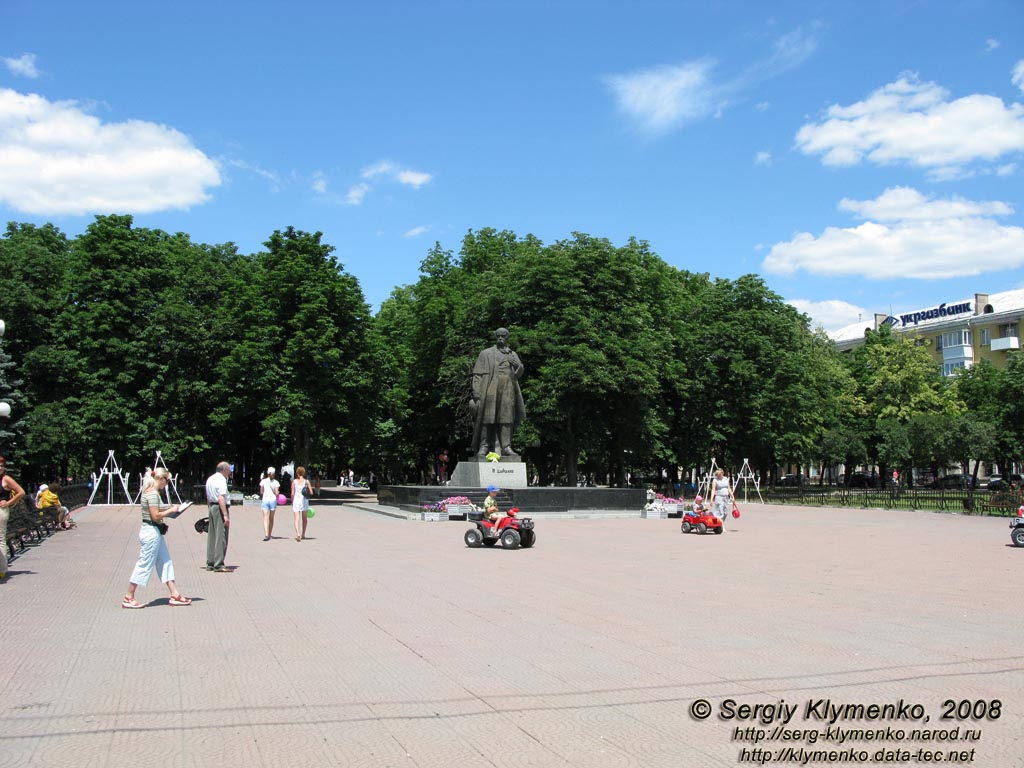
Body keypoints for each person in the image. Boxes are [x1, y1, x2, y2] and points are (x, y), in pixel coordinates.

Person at [122, 468, 191, 608]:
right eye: (167, 481)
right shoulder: (153, 493)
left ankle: (174, 594)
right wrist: (171, 510)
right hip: (151, 532)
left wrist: (170, 507)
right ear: (160, 479)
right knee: (144, 564)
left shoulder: (150, 492)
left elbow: (156, 509)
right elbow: (155, 515)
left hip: (153, 532)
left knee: (165, 562)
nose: (167, 484)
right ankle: (129, 597)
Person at [470, 327, 526, 459]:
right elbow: (477, 375)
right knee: (487, 418)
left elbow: (519, 373)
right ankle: (484, 446)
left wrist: (517, 365)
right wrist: (477, 393)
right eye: (498, 336)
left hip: (508, 389)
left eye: (503, 336)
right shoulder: (486, 353)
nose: (500, 338)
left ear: (507, 338)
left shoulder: (512, 354)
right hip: (490, 388)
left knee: (506, 418)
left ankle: (506, 446)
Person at [0, 456, 26, 581]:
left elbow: (21, 492)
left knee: (0, 539)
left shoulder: (6, 479)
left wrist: (8, 503)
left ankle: (2, 570)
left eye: (2, 466)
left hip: (1, 511)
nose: (0, 468)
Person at [204, 461, 232, 572]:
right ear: (224, 470)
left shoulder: (210, 479)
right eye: (229, 470)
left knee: (212, 535)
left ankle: (210, 562)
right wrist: (225, 515)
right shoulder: (221, 480)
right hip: (219, 508)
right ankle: (219, 564)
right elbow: (221, 498)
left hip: (211, 507)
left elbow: (208, 496)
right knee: (221, 536)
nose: (230, 472)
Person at [258, 467, 280, 541]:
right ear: (274, 473)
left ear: (267, 473)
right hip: (273, 500)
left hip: (265, 500)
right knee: (271, 518)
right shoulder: (276, 482)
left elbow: (261, 492)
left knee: (265, 518)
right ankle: (270, 534)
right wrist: (278, 493)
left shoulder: (263, 481)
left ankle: (266, 534)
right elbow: (276, 493)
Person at [291, 466, 311, 541]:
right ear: (304, 473)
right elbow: (311, 492)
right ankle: (303, 534)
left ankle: (298, 534)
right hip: (304, 501)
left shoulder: (294, 482)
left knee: (296, 519)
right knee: (304, 519)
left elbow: (292, 493)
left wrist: (292, 501)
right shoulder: (307, 482)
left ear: (297, 473)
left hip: (296, 501)